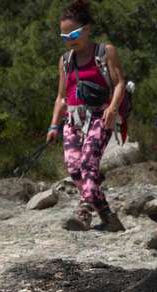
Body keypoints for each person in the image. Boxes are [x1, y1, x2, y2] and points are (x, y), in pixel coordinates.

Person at [46, 0, 126, 232]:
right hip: (72, 121)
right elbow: (61, 97)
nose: (70, 39)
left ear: (87, 28)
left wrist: (112, 109)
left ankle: (83, 214)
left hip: (101, 116)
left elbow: (120, 82)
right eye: (64, 36)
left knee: (88, 164)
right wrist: (53, 126)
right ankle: (107, 215)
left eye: (74, 33)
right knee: (74, 169)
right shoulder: (65, 61)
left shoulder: (105, 52)